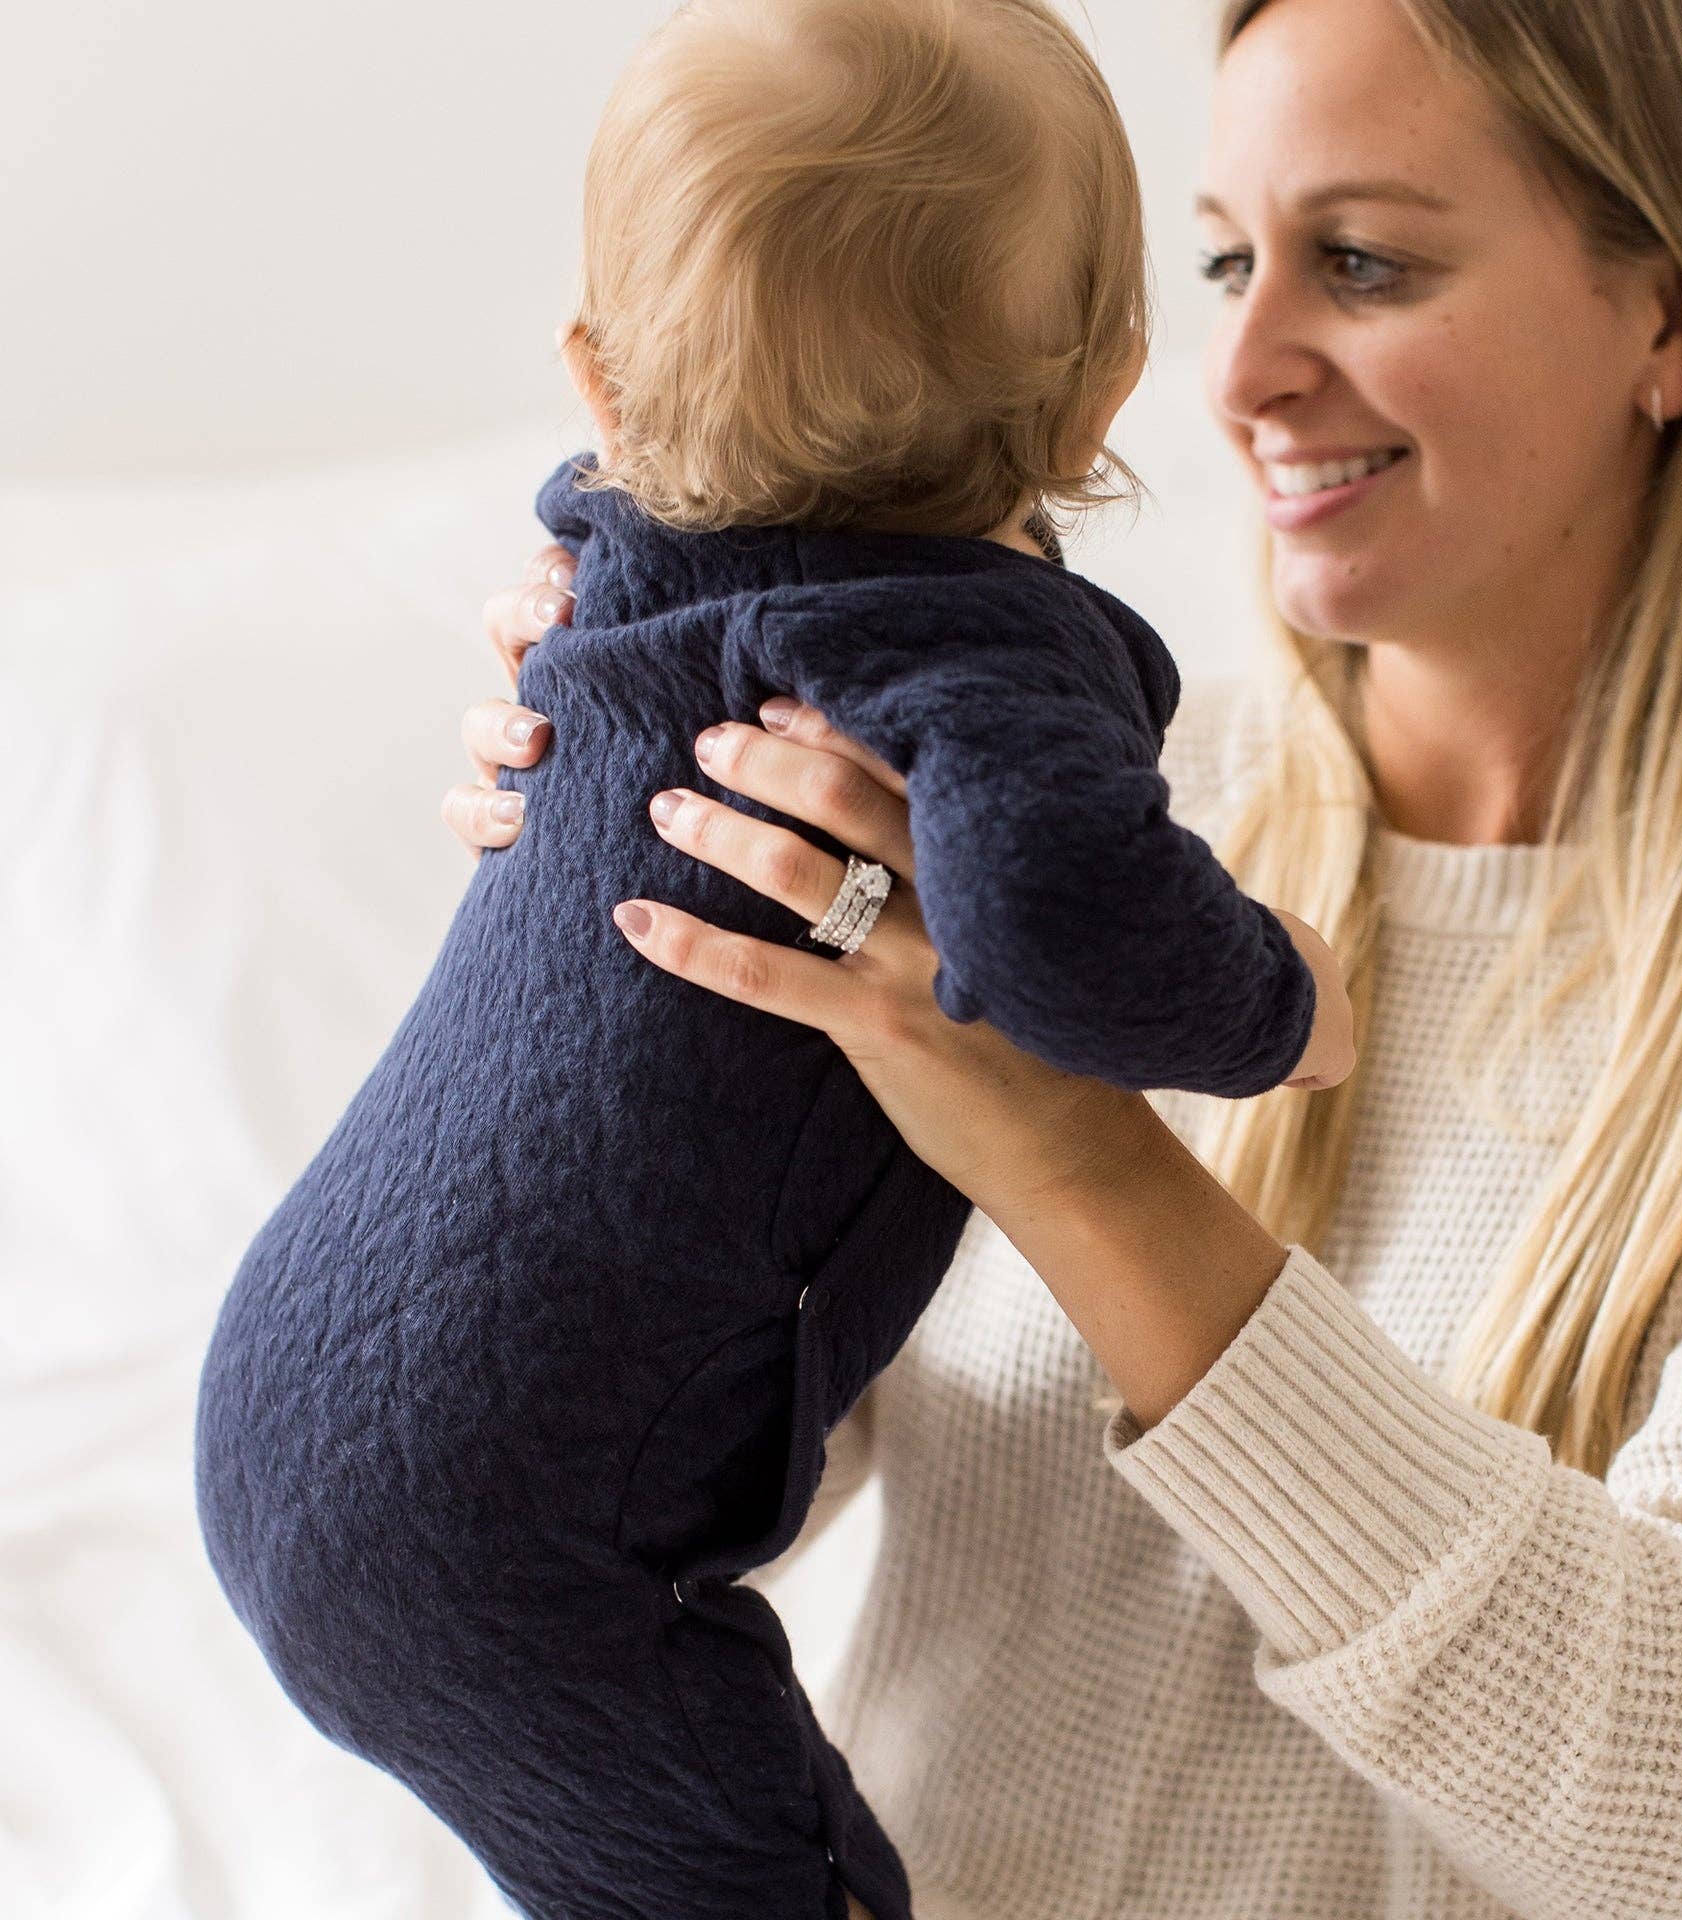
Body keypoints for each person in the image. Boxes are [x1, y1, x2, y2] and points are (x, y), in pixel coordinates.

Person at [445, 0, 1682, 1912]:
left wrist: (1079, 1162)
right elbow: (658, 1511)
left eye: (1364, 262)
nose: (1244, 375)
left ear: (1667, 318)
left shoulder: (1075, 891)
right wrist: (595, 957)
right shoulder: (1036, 809)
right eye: (1224, 266)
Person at [193, 5, 1355, 1919]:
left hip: (297, 1384)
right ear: (1105, 397)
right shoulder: (973, 654)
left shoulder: (608, 557)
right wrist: (1284, 1001)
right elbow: (1061, 921)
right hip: (514, 1516)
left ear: (597, 377)